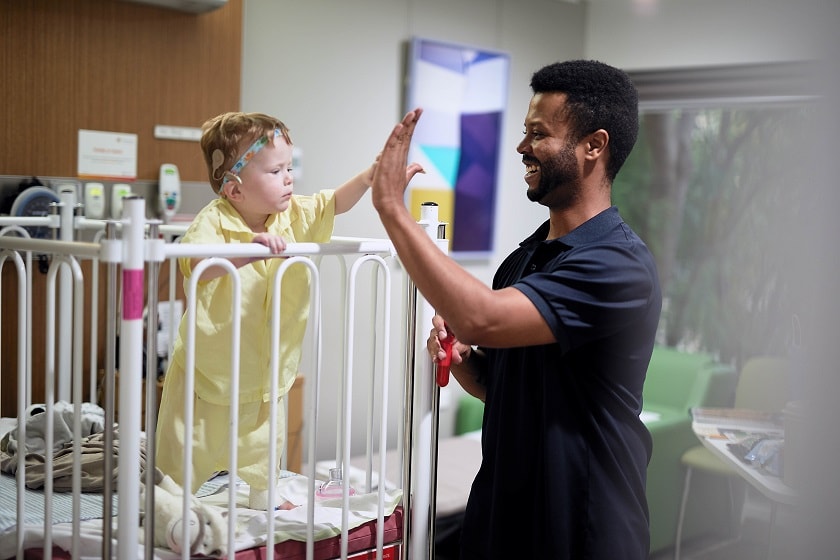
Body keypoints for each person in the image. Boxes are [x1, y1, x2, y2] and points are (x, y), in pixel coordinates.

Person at [371, 60, 662, 559]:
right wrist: (463, 359)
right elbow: (502, 386)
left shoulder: (619, 265)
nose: (522, 147)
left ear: (594, 145)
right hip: (501, 526)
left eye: (538, 133)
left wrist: (393, 210)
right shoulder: (523, 259)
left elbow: (481, 317)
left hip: (582, 533)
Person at [155, 111, 421, 510]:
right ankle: (169, 504)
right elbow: (197, 263)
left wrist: (370, 176)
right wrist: (246, 252)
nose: (288, 178)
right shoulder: (214, 222)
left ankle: (264, 495)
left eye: (289, 167)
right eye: (275, 170)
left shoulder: (291, 215)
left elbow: (333, 202)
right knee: (189, 447)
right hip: (209, 368)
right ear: (234, 188)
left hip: (266, 368)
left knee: (264, 443)